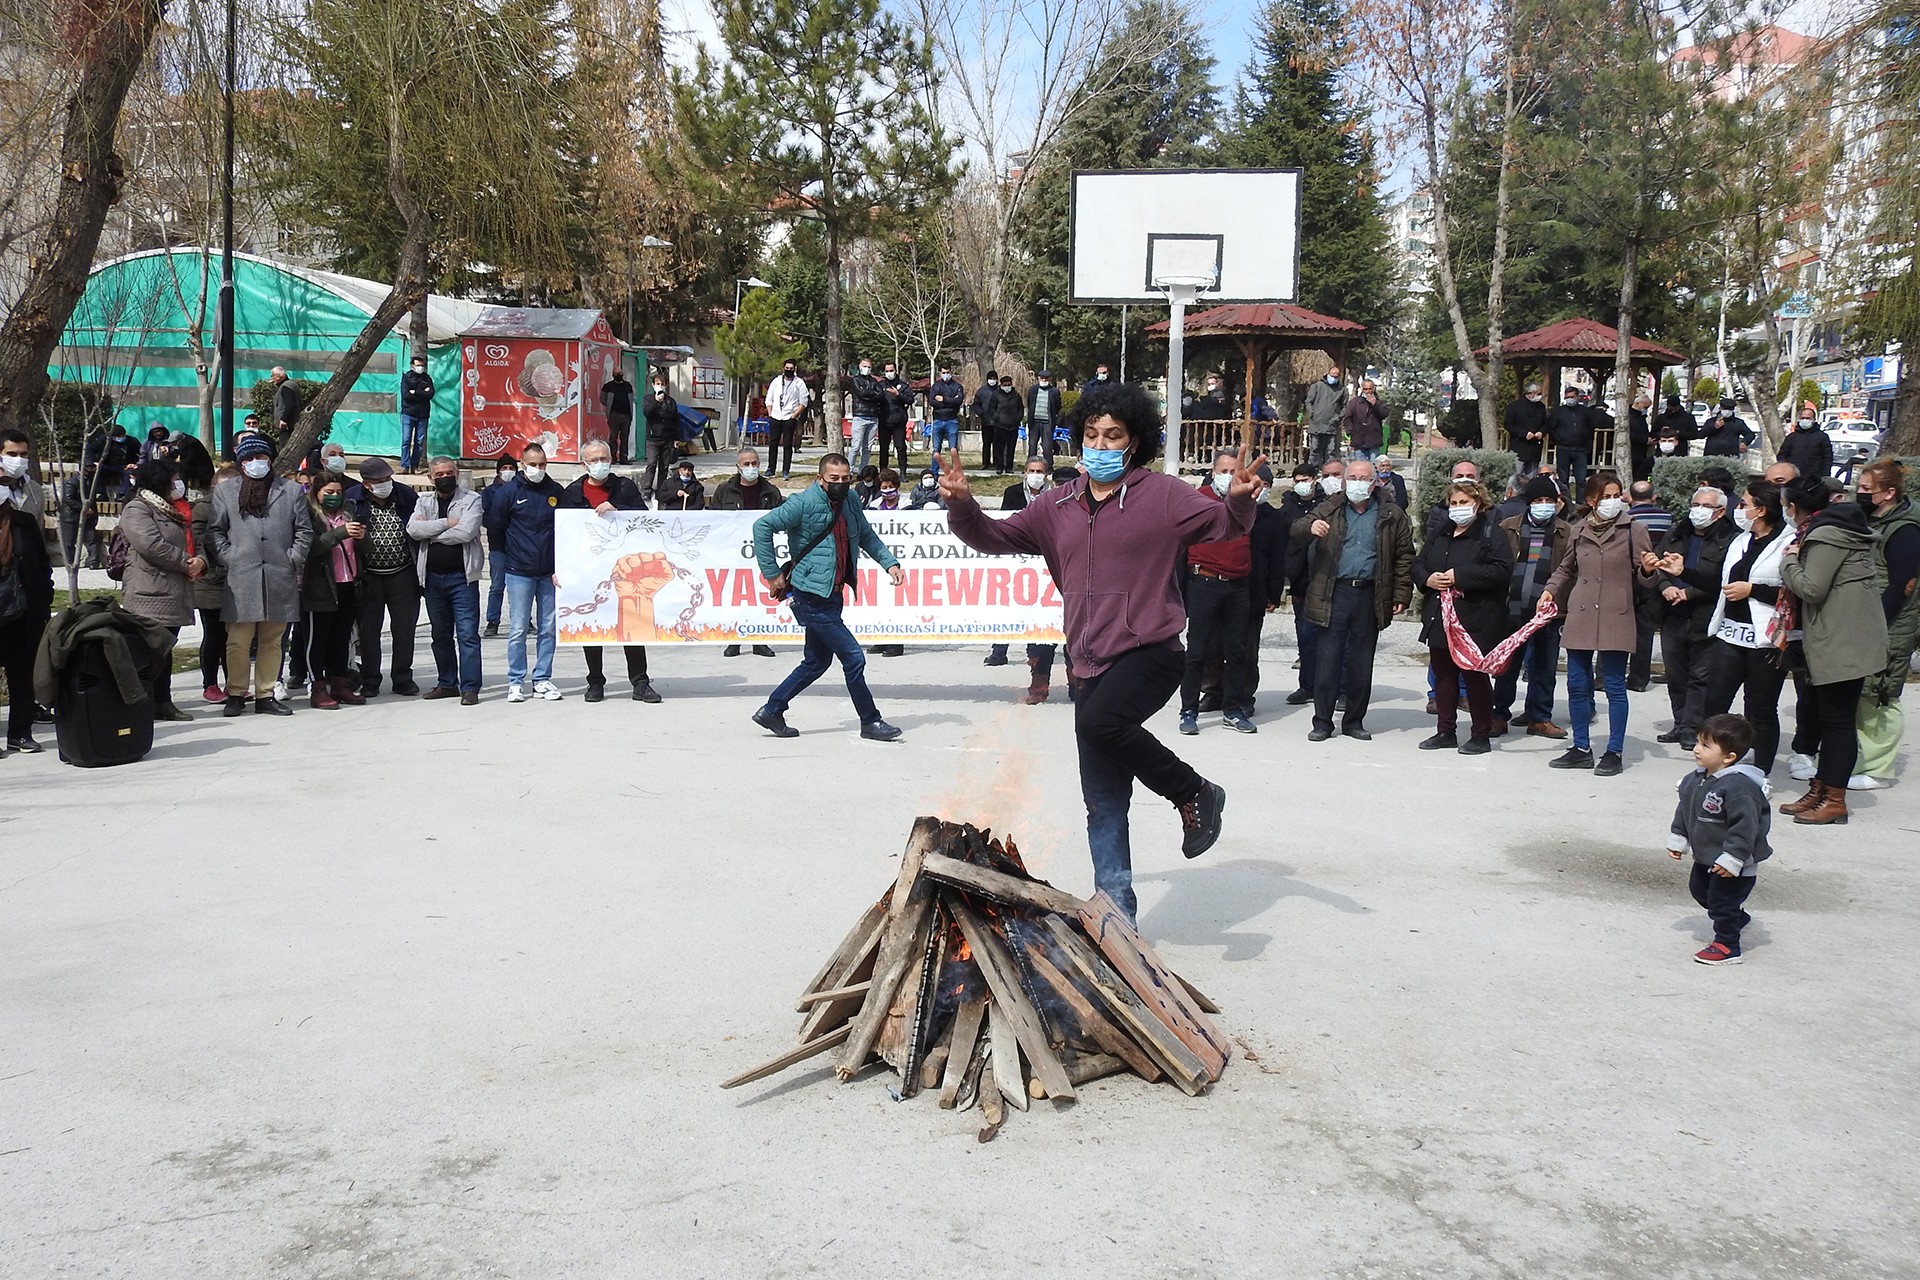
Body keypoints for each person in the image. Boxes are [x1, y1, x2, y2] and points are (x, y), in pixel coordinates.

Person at [941, 382, 1261, 921]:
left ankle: (1196, 792)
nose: (1101, 444)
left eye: (1113, 436)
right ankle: (1118, 915)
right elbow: (993, 536)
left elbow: (1225, 525)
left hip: (1149, 650)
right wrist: (964, 505)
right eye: (1092, 434)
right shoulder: (1056, 504)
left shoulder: (1163, 495)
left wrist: (1238, 499)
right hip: (1085, 661)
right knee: (1104, 799)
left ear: (1134, 441)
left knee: (1099, 726)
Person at [750, 453, 905, 741]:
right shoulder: (803, 503)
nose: (840, 483)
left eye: (846, 479)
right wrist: (771, 574)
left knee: (816, 662)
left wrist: (890, 563)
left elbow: (867, 535)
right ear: (820, 479)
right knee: (854, 657)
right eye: (834, 479)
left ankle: (772, 710)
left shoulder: (850, 502)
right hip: (810, 595)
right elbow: (762, 527)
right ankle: (870, 721)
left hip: (833, 593)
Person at [1776, 474, 1889, 825]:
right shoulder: (1835, 527)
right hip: (1843, 635)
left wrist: (1789, 560)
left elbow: (1811, 588)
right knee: (1830, 719)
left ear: (1793, 507)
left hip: (1842, 639)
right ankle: (1822, 787)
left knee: (1838, 722)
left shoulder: (1824, 535)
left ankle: (1834, 799)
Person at [1537, 470, 1653, 775]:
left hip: (1616, 612)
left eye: (1618, 496)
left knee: (1614, 685)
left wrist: (1651, 570)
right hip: (1582, 613)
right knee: (1577, 684)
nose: (1614, 502)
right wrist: (1550, 591)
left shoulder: (1634, 529)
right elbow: (1565, 569)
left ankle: (1614, 751)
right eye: (1607, 497)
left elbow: (1646, 575)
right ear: (1591, 500)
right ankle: (1581, 748)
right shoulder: (1578, 530)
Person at [1291, 457, 1415, 741]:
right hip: (1335, 592)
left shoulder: (1391, 515)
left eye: (1363, 478)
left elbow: (1404, 556)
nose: (1357, 483)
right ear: (1345, 482)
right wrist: (1310, 529)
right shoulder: (1330, 508)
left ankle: (1354, 721)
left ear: (1373, 484)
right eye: (1353, 478)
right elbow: (1296, 529)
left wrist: (1401, 593)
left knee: (1361, 663)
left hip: (1370, 593)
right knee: (1328, 660)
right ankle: (1322, 721)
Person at [208, 435, 311, 717]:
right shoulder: (226, 491)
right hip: (241, 575)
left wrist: (293, 558)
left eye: (261, 458)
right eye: (249, 459)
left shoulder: (289, 490)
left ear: (270, 459)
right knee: (238, 640)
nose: (256, 464)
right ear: (241, 463)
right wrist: (229, 557)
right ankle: (237, 693)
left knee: (273, 639)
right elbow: (215, 531)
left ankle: (266, 694)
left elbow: (304, 530)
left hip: (279, 573)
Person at [1700, 479, 1793, 775]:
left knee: (1761, 709)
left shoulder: (1788, 542)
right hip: (1731, 633)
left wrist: (1752, 589)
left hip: (1765, 639)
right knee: (1715, 703)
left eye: (1744, 504)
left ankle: (1760, 772)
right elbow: (1721, 583)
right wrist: (1682, 572)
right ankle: (1713, 766)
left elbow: (1794, 593)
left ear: (1762, 510)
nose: (1738, 509)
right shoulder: (1741, 540)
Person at [1666, 713, 1773, 966]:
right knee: (1700, 890)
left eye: (1705, 745)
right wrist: (1679, 837)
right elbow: (1685, 809)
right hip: (1706, 854)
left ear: (1729, 757)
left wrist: (1734, 858)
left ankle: (1727, 945)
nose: (1696, 750)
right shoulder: (1697, 779)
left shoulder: (1739, 788)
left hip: (1734, 860)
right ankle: (1735, 917)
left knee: (1721, 902)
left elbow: (1746, 826)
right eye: (1698, 742)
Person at [560, 441, 662, 704]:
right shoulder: (572, 493)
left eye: (604, 458)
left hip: (626, 570)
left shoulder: (624, 487)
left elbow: (644, 519)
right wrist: (559, 568)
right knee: (592, 625)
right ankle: (595, 681)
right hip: (588, 571)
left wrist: (619, 511)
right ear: (584, 464)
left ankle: (640, 682)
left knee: (632, 624)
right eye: (594, 460)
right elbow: (562, 534)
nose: (600, 463)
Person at [1416, 479, 1514, 753]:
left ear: (1478, 504)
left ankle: (1480, 734)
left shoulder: (1491, 533)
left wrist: (1461, 576)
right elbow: (1419, 563)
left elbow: (1502, 569)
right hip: (1441, 617)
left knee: (1474, 678)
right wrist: (1427, 579)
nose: (1458, 508)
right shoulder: (1441, 533)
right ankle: (1445, 730)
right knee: (1444, 676)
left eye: (1464, 503)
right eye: (1454, 503)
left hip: (1476, 619)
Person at [113, 457, 203, 722]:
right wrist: (187, 563)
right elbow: (151, 545)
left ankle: (162, 701)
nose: (179, 484)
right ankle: (144, 702)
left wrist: (201, 561)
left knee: (164, 649)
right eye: (174, 479)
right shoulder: (138, 509)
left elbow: (195, 541)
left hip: (174, 590)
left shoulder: (177, 510)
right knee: (149, 651)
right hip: (148, 592)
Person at [1178, 451, 1260, 736]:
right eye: (1223, 470)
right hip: (1205, 582)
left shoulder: (1245, 502)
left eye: (1233, 470)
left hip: (1238, 585)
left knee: (1238, 652)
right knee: (1197, 651)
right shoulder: (1197, 499)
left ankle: (1234, 709)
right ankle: (1188, 709)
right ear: (1213, 472)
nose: (1228, 475)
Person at [1649, 485, 1736, 746]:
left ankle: (1693, 727)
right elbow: (1659, 565)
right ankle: (1679, 722)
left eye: (1706, 507)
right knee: (1676, 674)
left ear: (1720, 512)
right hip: (1673, 613)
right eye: (1696, 505)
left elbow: (1723, 578)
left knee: (1701, 676)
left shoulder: (1730, 539)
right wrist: (1666, 587)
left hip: (1706, 615)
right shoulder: (1677, 533)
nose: (1698, 511)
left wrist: (1690, 593)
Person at [1853, 460, 1920, 790]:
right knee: (1858, 692)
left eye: (1867, 489)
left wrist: (1874, 625)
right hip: (1862, 618)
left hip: (1888, 622)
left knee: (1880, 694)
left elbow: (1899, 586)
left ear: (1889, 492)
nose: (1860, 494)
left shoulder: (1905, 529)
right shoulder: (1867, 518)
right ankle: (1857, 758)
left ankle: (1879, 769)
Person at [484, 442, 567, 703]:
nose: (538, 469)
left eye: (542, 465)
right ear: (523, 464)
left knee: (548, 628)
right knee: (518, 628)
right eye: (533, 465)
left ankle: (542, 678)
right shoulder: (508, 492)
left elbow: (565, 529)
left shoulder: (555, 491)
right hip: (518, 570)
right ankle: (516, 681)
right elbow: (495, 528)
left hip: (548, 573)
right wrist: (506, 558)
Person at [1494, 477, 1574, 741]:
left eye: (1548, 501)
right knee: (1506, 665)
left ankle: (1539, 717)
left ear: (1557, 503)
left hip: (1549, 613)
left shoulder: (1567, 532)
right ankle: (1498, 715)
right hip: (1511, 608)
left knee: (1544, 667)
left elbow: (1570, 572)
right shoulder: (1508, 528)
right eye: (1538, 501)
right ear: (1528, 503)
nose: (1543, 506)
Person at [408, 456, 485, 704]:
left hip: (462, 578)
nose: (444, 477)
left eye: (448, 472)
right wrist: (445, 523)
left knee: (467, 634)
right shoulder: (423, 501)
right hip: (432, 579)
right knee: (440, 634)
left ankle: (470, 687)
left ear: (457, 473)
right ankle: (447, 683)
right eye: (439, 474)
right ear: (431, 478)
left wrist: (430, 533)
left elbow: (466, 532)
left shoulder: (472, 500)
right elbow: (412, 530)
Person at [983, 456, 1058, 696]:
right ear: (1025, 472)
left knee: (1043, 611)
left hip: (1045, 556)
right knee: (1009, 604)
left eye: (1040, 471)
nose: (1036, 474)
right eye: (1031, 470)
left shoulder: (1055, 495)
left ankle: (1038, 664)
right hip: (1016, 553)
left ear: (1046, 474)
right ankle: (999, 650)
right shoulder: (1012, 492)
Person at [346, 457, 420, 697]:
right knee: (369, 632)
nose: (386, 484)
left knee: (404, 628)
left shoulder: (405, 495)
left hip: (403, 573)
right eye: (379, 481)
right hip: (369, 577)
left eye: (388, 478)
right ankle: (370, 679)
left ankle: (402, 678)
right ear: (367, 484)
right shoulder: (353, 498)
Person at [0, 430, 54, 756]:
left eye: (23, 454)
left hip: (26, 595)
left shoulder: (33, 493)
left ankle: (20, 731)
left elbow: (39, 547)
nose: (18, 460)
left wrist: (43, 593)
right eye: (12, 453)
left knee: (22, 669)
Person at [299, 473, 363, 710]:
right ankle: (317, 687)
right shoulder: (309, 516)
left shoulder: (347, 513)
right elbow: (312, 546)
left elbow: (361, 548)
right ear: (317, 493)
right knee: (317, 640)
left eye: (338, 492)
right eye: (329, 492)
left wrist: (361, 537)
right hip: (319, 586)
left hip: (347, 584)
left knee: (341, 638)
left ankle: (340, 684)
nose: (335, 497)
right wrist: (340, 533)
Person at [183, 451, 231, 703]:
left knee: (233, 637)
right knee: (214, 634)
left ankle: (233, 682)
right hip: (210, 580)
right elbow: (201, 540)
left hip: (235, 580)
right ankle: (210, 683)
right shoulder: (203, 507)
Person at [1626, 480, 1673, 691]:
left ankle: (1605, 677)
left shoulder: (1626, 519)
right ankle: (1638, 680)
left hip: (1629, 579)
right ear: (1654, 497)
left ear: (1629, 497)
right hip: (1658, 578)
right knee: (1645, 631)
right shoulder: (1668, 518)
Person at [480, 456, 517, 637]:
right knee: (496, 585)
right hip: (498, 545)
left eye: (511, 467)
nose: (508, 470)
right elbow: (487, 517)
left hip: (519, 546)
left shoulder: (520, 489)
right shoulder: (489, 492)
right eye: (505, 467)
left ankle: (524, 621)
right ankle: (492, 621)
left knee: (518, 587)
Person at [764, 359, 810, 479]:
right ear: (783, 368)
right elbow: (769, 398)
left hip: (789, 417)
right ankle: (771, 469)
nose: (788, 370)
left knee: (788, 444)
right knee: (773, 444)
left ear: (795, 369)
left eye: (791, 368)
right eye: (787, 368)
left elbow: (804, 402)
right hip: (775, 416)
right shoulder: (776, 381)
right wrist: (770, 413)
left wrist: (794, 415)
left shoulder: (799, 383)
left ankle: (786, 470)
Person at [640, 371, 680, 497]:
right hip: (652, 438)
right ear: (653, 385)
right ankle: (646, 489)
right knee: (651, 463)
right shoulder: (648, 399)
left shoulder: (671, 401)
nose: (660, 386)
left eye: (662, 384)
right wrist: (656, 402)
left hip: (667, 438)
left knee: (664, 466)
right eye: (658, 384)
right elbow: (647, 413)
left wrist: (676, 438)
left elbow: (675, 420)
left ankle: (661, 489)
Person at [1548, 388, 1593, 498]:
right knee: (1563, 479)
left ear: (1577, 397)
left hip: (1580, 450)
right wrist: (1557, 440)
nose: (1570, 400)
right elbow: (1551, 428)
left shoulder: (1585, 412)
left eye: (1572, 397)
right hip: (1563, 448)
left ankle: (1580, 502)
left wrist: (1587, 443)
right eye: (1567, 397)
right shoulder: (1558, 412)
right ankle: (1566, 501)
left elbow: (1590, 428)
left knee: (1581, 479)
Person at [1304, 365, 1347, 468]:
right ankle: (1312, 469)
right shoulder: (1317, 386)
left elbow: (1345, 406)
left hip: (1332, 424)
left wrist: (1338, 417)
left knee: (1331, 450)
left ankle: (1330, 470)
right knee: (1315, 448)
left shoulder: (1342, 389)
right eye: (1332, 375)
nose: (1334, 378)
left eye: (1336, 376)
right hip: (1316, 423)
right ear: (1328, 374)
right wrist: (1312, 413)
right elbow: (1308, 401)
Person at [1777, 400, 1833, 480]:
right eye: (1803, 418)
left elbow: (1827, 459)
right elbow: (1782, 455)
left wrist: (1825, 476)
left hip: (1814, 479)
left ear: (1813, 420)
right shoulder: (1792, 437)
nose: (1805, 420)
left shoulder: (1822, 437)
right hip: (1793, 478)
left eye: (1808, 418)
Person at [398, 353, 435, 474]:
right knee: (406, 440)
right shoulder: (407, 378)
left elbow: (430, 394)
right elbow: (407, 396)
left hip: (423, 415)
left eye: (422, 365)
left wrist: (415, 392)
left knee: (419, 442)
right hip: (408, 413)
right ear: (412, 366)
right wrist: (422, 393)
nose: (420, 368)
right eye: (418, 365)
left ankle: (414, 466)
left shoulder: (427, 378)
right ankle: (405, 465)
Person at [847, 358, 885, 473]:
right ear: (859, 366)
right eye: (865, 366)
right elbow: (861, 393)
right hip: (860, 415)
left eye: (869, 367)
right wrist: (872, 393)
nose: (867, 369)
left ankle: (862, 471)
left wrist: (870, 393)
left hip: (873, 416)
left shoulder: (874, 381)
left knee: (867, 448)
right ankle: (848, 470)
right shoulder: (855, 380)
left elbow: (881, 395)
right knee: (855, 446)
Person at [1504, 381, 1548, 474]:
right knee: (1516, 478)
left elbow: (1546, 424)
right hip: (1519, 448)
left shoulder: (1541, 407)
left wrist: (1542, 432)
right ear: (1530, 393)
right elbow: (1508, 424)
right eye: (1538, 394)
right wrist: (1524, 433)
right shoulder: (1514, 406)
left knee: (1531, 479)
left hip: (1535, 448)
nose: (1540, 396)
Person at [1340, 378, 1388, 461]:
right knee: (1361, 467)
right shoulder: (1355, 402)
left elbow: (1384, 414)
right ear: (1362, 389)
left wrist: (1375, 404)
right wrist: (1351, 430)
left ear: (1374, 389)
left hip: (1374, 440)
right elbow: (1347, 418)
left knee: (1374, 466)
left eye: (1370, 389)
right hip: (1359, 440)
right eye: (1365, 389)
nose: (1368, 391)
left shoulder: (1380, 402)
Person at [925, 363, 965, 459]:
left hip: (952, 420)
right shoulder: (936, 386)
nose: (946, 374)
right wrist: (950, 401)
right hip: (938, 420)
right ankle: (934, 472)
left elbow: (958, 401)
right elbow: (932, 401)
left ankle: (956, 471)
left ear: (951, 372)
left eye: (947, 372)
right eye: (943, 372)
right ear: (940, 373)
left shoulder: (957, 386)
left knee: (953, 449)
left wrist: (943, 399)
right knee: (936, 449)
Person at [987, 373, 1024, 474]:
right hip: (1000, 425)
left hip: (1013, 426)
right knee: (999, 448)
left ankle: (1009, 467)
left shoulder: (1016, 396)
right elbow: (991, 408)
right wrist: (996, 417)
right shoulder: (996, 395)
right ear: (1001, 385)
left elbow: (1021, 408)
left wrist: (1017, 418)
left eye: (1009, 384)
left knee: (1011, 448)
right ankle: (999, 467)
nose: (1007, 387)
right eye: (1005, 385)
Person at [600, 367, 635, 465]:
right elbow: (602, 398)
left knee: (625, 438)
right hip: (614, 415)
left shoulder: (627, 386)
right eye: (616, 373)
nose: (618, 375)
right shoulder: (608, 386)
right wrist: (609, 406)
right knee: (613, 437)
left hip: (626, 416)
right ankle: (613, 457)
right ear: (613, 375)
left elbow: (631, 399)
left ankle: (624, 458)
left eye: (619, 373)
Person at [1026, 370, 1062, 468]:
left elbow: (1058, 406)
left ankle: (1048, 467)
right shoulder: (1032, 389)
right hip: (1034, 422)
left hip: (1047, 422)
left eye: (1046, 378)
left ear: (1050, 379)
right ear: (1038, 378)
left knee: (1047, 447)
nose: (1044, 380)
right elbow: (1029, 403)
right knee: (1032, 446)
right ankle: (1030, 466)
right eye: (1042, 378)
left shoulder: (1054, 391)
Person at [971, 369, 999, 470]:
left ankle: (997, 463)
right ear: (987, 379)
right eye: (991, 378)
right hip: (986, 421)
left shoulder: (1000, 390)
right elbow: (976, 405)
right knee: (986, 443)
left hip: (998, 422)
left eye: (994, 378)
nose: (992, 380)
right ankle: (985, 463)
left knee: (998, 444)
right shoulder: (981, 391)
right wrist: (981, 413)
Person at [270, 367, 302, 440]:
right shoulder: (285, 386)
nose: (272, 379)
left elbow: (290, 404)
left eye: (273, 376)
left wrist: (284, 419)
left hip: (287, 427)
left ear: (278, 376)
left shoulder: (287, 386)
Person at [1627, 393, 1653, 482]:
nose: (1645, 410)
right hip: (1632, 450)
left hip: (1641, 451)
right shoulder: (1628, 416)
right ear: (1638, 403)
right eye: (1645, 407)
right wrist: (1644, 440)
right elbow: (1627, 434)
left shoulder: (1641, 417)